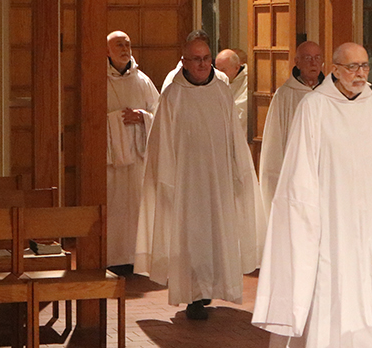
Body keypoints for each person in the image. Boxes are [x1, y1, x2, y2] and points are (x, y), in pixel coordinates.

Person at [252, 42, 372, 348]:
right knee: (331, 290)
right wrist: (308, 222)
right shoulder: (314, 107)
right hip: (330, 223)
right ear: (335, 70)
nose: (360, 74)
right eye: (352, 67)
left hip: (370, 224)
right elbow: (301, 172)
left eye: (365, 66)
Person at [135, 30, 263, 321]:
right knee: (192, 237)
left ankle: (211, 288)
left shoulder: (220, 88)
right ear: (184, 62)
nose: (204, 64)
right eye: (197, 59)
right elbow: (161, 144)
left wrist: (237, 170)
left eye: (207, 58)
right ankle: (193, 294)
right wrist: (168, 181)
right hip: (186, 180)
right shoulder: (172, 94)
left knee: (216, 234)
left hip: (217, 177)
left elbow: (234, 132)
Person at [106, 31, 160, 273]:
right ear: (107, 51)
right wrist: (114, 121)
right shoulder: (99, 79)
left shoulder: (143, 81)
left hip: (138, 156)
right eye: (118, 44)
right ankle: (113, 258)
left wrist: (141, 117)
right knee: (114, 207)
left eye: (127, 44)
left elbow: (159, 115)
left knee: (138, 206)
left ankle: (136, 258)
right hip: (111, 158)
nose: (124, 48)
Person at [257, 40, 325, 217]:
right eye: (308, 58)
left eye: (317, 58)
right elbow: (274, 142)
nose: (313, 63)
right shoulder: (285, 95)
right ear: (297, 62)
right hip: (296, 176)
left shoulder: (331, 95)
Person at [215, 48, 249, 139]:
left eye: (223, 70)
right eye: (217, 69)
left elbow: (241, 111)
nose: (219, 74)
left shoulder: (249, 81)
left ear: (237, 67)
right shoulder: (217, 79)